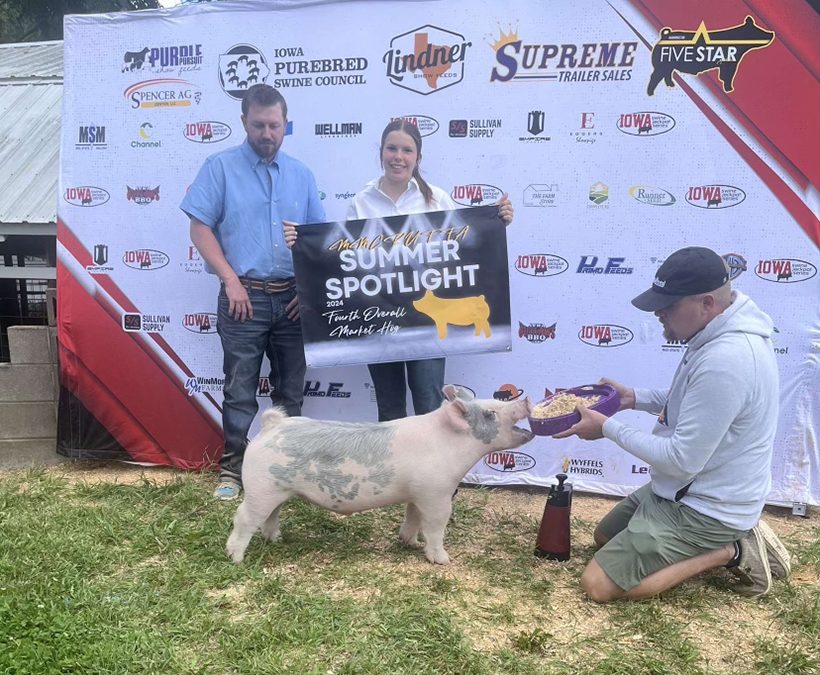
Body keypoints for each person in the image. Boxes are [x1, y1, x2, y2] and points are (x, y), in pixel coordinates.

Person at [554, 246, 790, 601]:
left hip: (707, 507)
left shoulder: (728, 359)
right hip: (681, 489)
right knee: (604, 537)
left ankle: (733, 549)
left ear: (707, 303)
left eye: (669, 305)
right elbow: (690, 402)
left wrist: (606, 428)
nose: (659, 313)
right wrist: (631, 397)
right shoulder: (713, 333)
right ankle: (716, 541)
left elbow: (682, 459)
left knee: (598, 587)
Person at [180, 84, 325, 500]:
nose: (267, 133)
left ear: (285, 125)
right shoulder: (219, 167)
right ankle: (232, 473)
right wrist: (229, 279)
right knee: (240, 389)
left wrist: (309, 289)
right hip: (244, 298)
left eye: (274, 125)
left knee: (289, 394)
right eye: (259, 124)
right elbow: (200, 227)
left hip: (294, 301)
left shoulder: (301, 174)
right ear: (244, 122)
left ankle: (285, 472)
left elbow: (316, 239)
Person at [346, 119, 514, 421]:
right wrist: (301, 244)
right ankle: (395, 470)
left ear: (417, 158)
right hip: (381, 320)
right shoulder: (361, 202)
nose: (398, 156)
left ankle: (431, 471)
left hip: (427, 319)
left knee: (429, 404)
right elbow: (344, 260)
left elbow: (465, 243)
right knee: (389, 407)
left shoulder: (436, 199)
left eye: (407, 150)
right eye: (392, 148)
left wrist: (496, 221)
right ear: (381, 152)